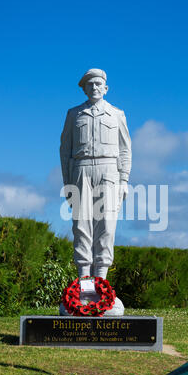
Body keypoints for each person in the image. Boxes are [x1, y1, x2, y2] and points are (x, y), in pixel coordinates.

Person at [60, 68, 132, 279]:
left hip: (109, 171)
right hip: (80, 170)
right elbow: (65, 150)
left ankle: (101, 280)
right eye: (90, 84)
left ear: (106, 88)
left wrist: (124, 179)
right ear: (84, 89)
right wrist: (68, 183)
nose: (94, 87)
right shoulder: (73, 115)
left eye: (98, 84)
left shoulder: (117, 114)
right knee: (81, 224)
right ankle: (83, 280)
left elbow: (125, 149)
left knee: (107, 225)